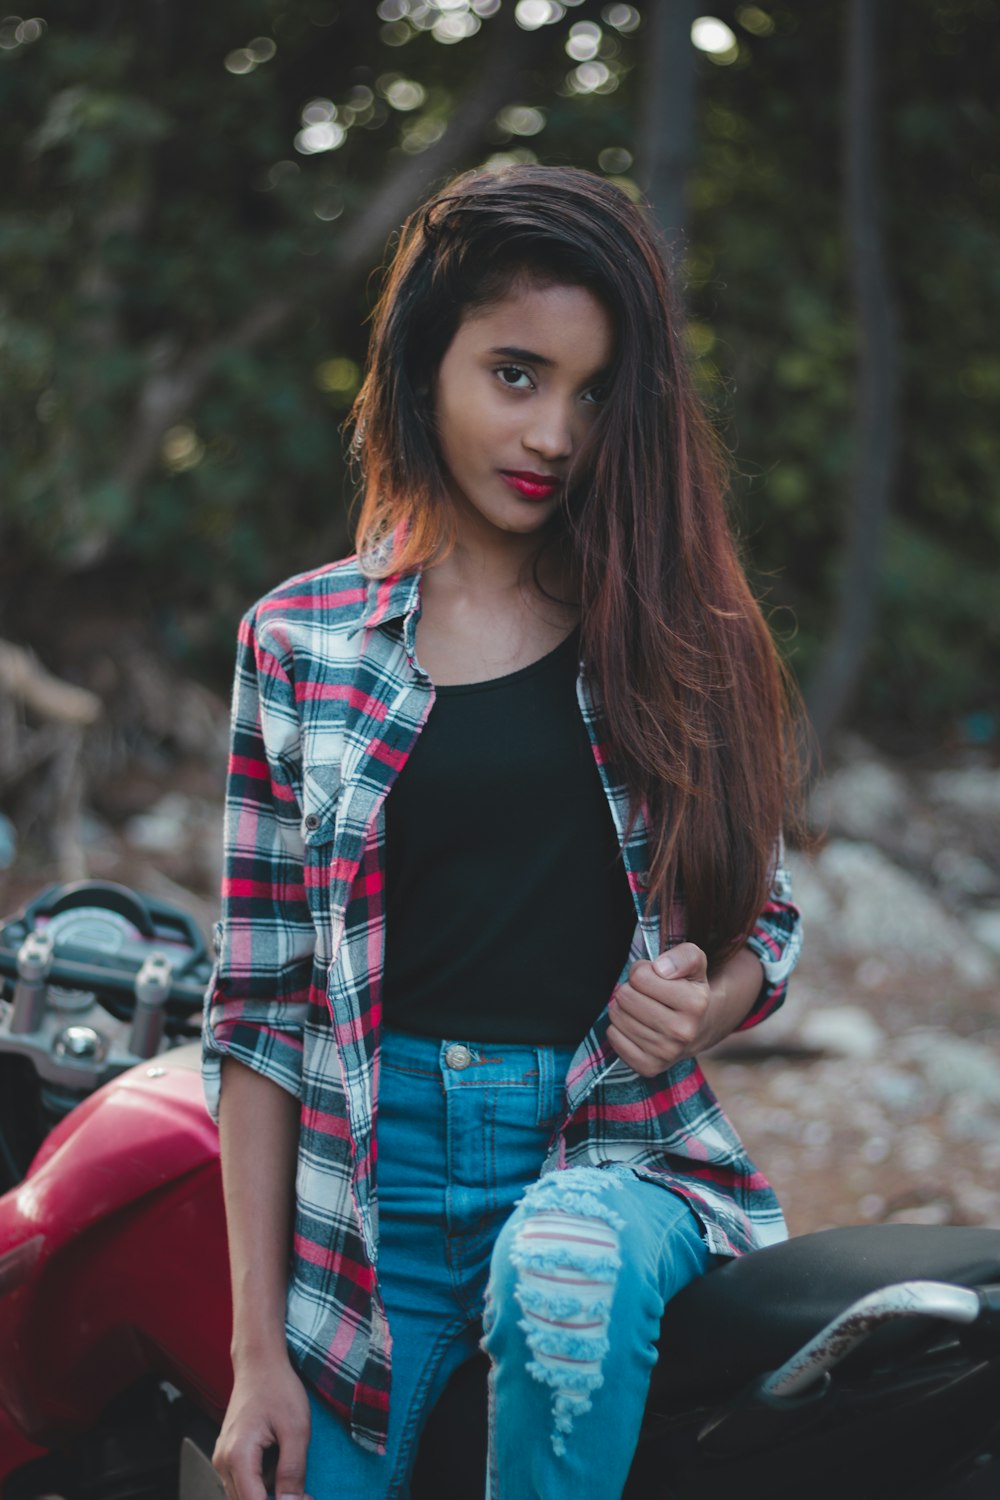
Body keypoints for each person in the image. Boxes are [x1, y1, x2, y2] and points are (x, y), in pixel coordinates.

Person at [202, 163, 803, 1500]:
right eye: (516, 375)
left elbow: (764, 910)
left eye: (594, 395)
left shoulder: (675, 635)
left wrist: (713, 1001)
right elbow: (256, 1013)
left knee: (566, 1274)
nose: (554, 435)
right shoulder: (295, 646)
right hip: (363, 1209)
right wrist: (258, 1353)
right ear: (428, 365)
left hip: (609, 1160)